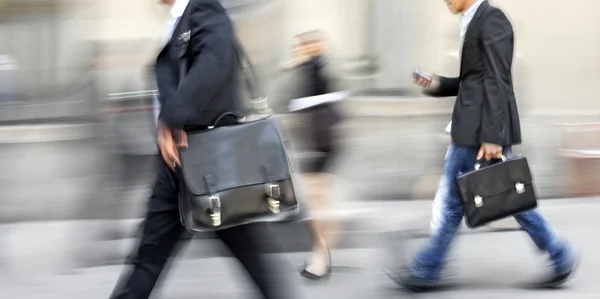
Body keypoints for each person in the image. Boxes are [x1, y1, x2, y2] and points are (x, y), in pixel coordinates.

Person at [108, 1, 303, 298]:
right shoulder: (181, 18)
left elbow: (216, 62)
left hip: (208, 160)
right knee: (148, 259)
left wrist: (172, 117)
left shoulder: (204, 7)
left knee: (248, 258)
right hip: (183, 164)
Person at [397, 0, 579, 291]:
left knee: (456, 203)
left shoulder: (492, 18)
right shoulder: (473, 20)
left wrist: (493, 135)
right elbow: (473, 80)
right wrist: (436, 83)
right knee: (507, 198)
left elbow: (497, 79)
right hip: (474, 127)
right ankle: (561, 256)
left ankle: (427, 268)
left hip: (479, 130)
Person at [283, 32, 343, 280]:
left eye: (303, 47)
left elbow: (307, 102)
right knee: (319, 202)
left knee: (317, 204)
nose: (298, 51)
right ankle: (321, 253)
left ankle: (321, 257)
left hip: (320, 143)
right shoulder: (313, 69)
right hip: (318, 142)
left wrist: (298, 66)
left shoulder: (314, 69)